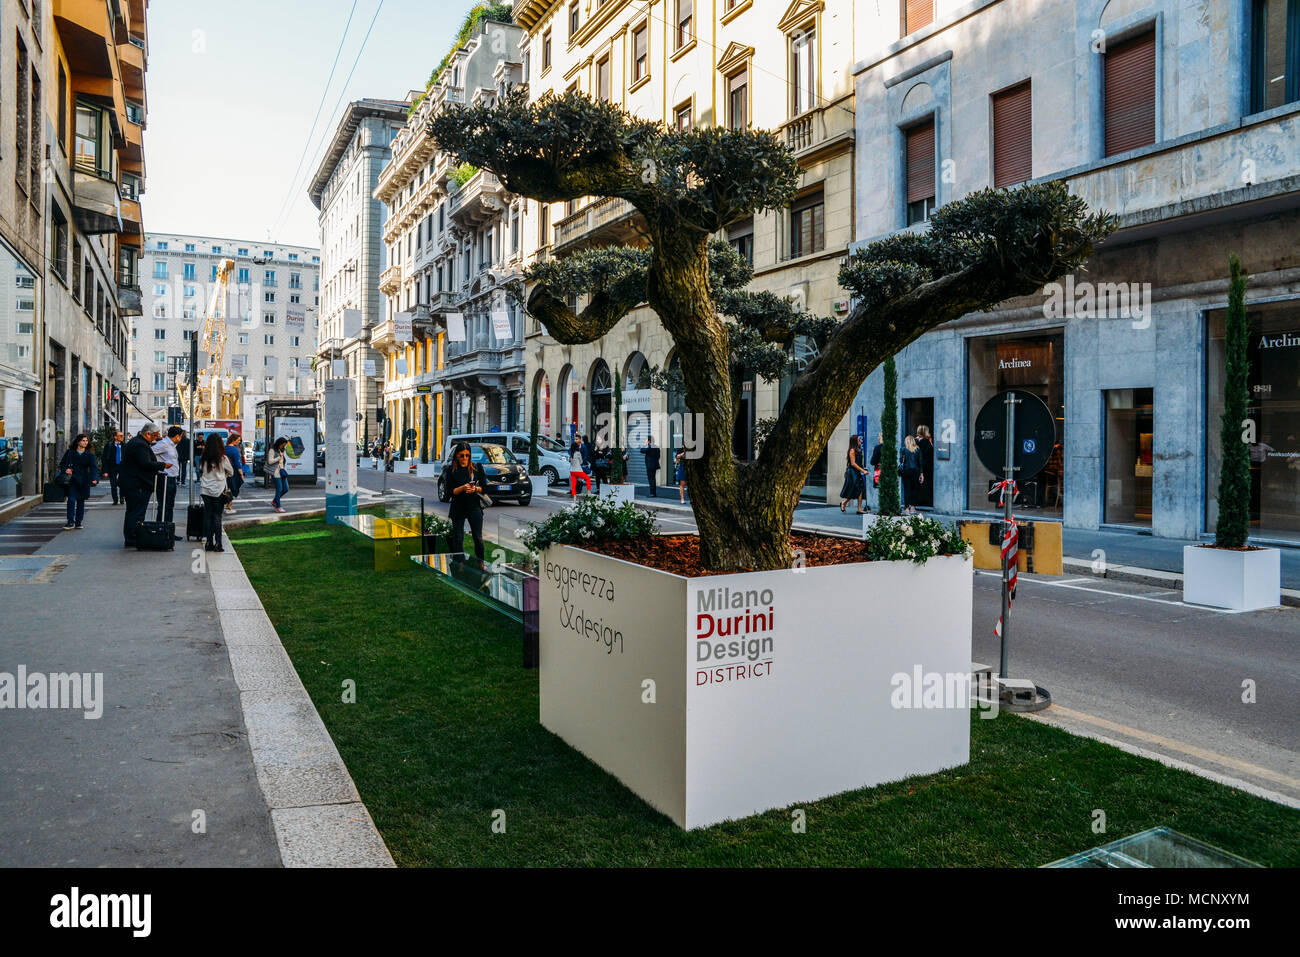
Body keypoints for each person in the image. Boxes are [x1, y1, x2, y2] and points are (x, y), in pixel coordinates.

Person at [119, 424, 167, 547]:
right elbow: (145, 463)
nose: (157, 438)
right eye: (155, 435)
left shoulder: (138, 442)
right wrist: (162, 465)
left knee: (133, 512)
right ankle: (132, 537)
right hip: (136, 484)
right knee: (136, 512)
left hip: (134, 483)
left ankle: (132, 536)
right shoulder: (139, 445)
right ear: (148, 434)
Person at [445, 442, 488, 560]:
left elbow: (485, 488)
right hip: (458, 507)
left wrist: (475, 489)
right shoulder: (451, 470)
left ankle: (481, 563)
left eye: (467, 455)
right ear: (456, 456)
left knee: (478, 538)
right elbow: (449, 492)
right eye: (461, 455)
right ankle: (459, 565)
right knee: (458, 538)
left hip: (474, 506)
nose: (464, 458)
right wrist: (462, 488)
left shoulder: (477, 468)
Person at [199, 432, 234, 552]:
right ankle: (218, 543)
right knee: (217, 516)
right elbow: (231, 472)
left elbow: (201, 471)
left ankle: (209, 542)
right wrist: (224, 474)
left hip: (205, 489)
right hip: (219, 490)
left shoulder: (203, 457)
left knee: (208, 516)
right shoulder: (223, 458)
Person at [58, 433, 99, 530]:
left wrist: (95, 479)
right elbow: (62, 464)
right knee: (71, 500)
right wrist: (65, 470)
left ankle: (78, 522)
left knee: (81, 501)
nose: (85, 442)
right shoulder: (70, 453)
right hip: (72, 480)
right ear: (78, 442)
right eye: (83, 440)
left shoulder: (89, 454)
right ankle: (70, 522)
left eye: (86, 441)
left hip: (84, 481)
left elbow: (94, 468)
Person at [151, 426, 184, 530]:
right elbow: (149, 453)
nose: (181, 439)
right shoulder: (164, 444)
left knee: (170, 505)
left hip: (172, 478)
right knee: (164, 505)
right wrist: (160, 464)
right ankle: (161, 529)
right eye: (181, 436)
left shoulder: (172, 445)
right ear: (177, 436)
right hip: (164, 478)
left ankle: (168, 530)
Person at [839, 434, 869, 514]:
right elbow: (853, 464)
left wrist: (863, 469)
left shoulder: (858, 450)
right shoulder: (852, 450)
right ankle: (846, 504)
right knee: (855, 489)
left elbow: (858, 463)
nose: (861, 441)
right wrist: (863, 471)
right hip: (852, 473)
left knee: (859, 489)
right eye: (859, 440)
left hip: (856, 471)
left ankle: (857, 508)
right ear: (855, 441)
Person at [900, 434, 924, 514]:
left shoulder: (903, 449)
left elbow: (901, 461)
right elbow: (920, 462)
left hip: (906, 471)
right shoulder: (917, 449)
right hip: (915, 471)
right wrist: (921, 474)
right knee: (914, 490)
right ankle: (913, 507)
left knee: (907, 490)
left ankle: (907, 508)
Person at [100, 430, 125, 504]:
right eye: (120, 436)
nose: (122, 437)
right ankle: (115, 499)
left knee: (122, 483)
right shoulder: (109, 445)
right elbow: (104, 458)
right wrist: (105, 471)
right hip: (112, 467)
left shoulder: (124, 445)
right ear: (115, 437)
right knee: (113, 484)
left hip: (122, 467)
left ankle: (122, 497)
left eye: (122, 435)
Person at [266, 436, 289, 513]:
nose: (284, 446)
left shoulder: (281, 450)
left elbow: (282, 462)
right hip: (275, 472)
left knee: (286, 489)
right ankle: (278, 506)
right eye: (283, 445)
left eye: (285, 445)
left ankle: (274, 501)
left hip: (282, 472)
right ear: (279, 443)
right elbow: (270, 461)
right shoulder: (272, 450)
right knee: (279, 489)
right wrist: (279, 457)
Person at [224, 434, 244, 514]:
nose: (239, 442)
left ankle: (227, 505)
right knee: (233, 488)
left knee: (227, 488)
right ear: (233, 440)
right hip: (233, 472)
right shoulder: (234, 450)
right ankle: (229, 506)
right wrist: (241, 474)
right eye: (238, 440)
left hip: (224, 471)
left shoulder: (224, 448)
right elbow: (237, 464)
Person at [915, 424, 935, 508]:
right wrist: (930, 440)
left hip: (915, 465)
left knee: (916, 484)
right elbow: (930, 452)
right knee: (925, 485)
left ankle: (916, 502)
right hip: (925, 466)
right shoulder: (926, 442)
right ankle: (925, 501)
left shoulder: (913, 441)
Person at [868, 432, 883, 511]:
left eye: (879, 436)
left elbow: (873, 461)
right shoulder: (890, 447)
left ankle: (882, 506)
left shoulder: (878, 448)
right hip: (889, 471)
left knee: (881, 490)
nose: (878, 438)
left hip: (879, 471)